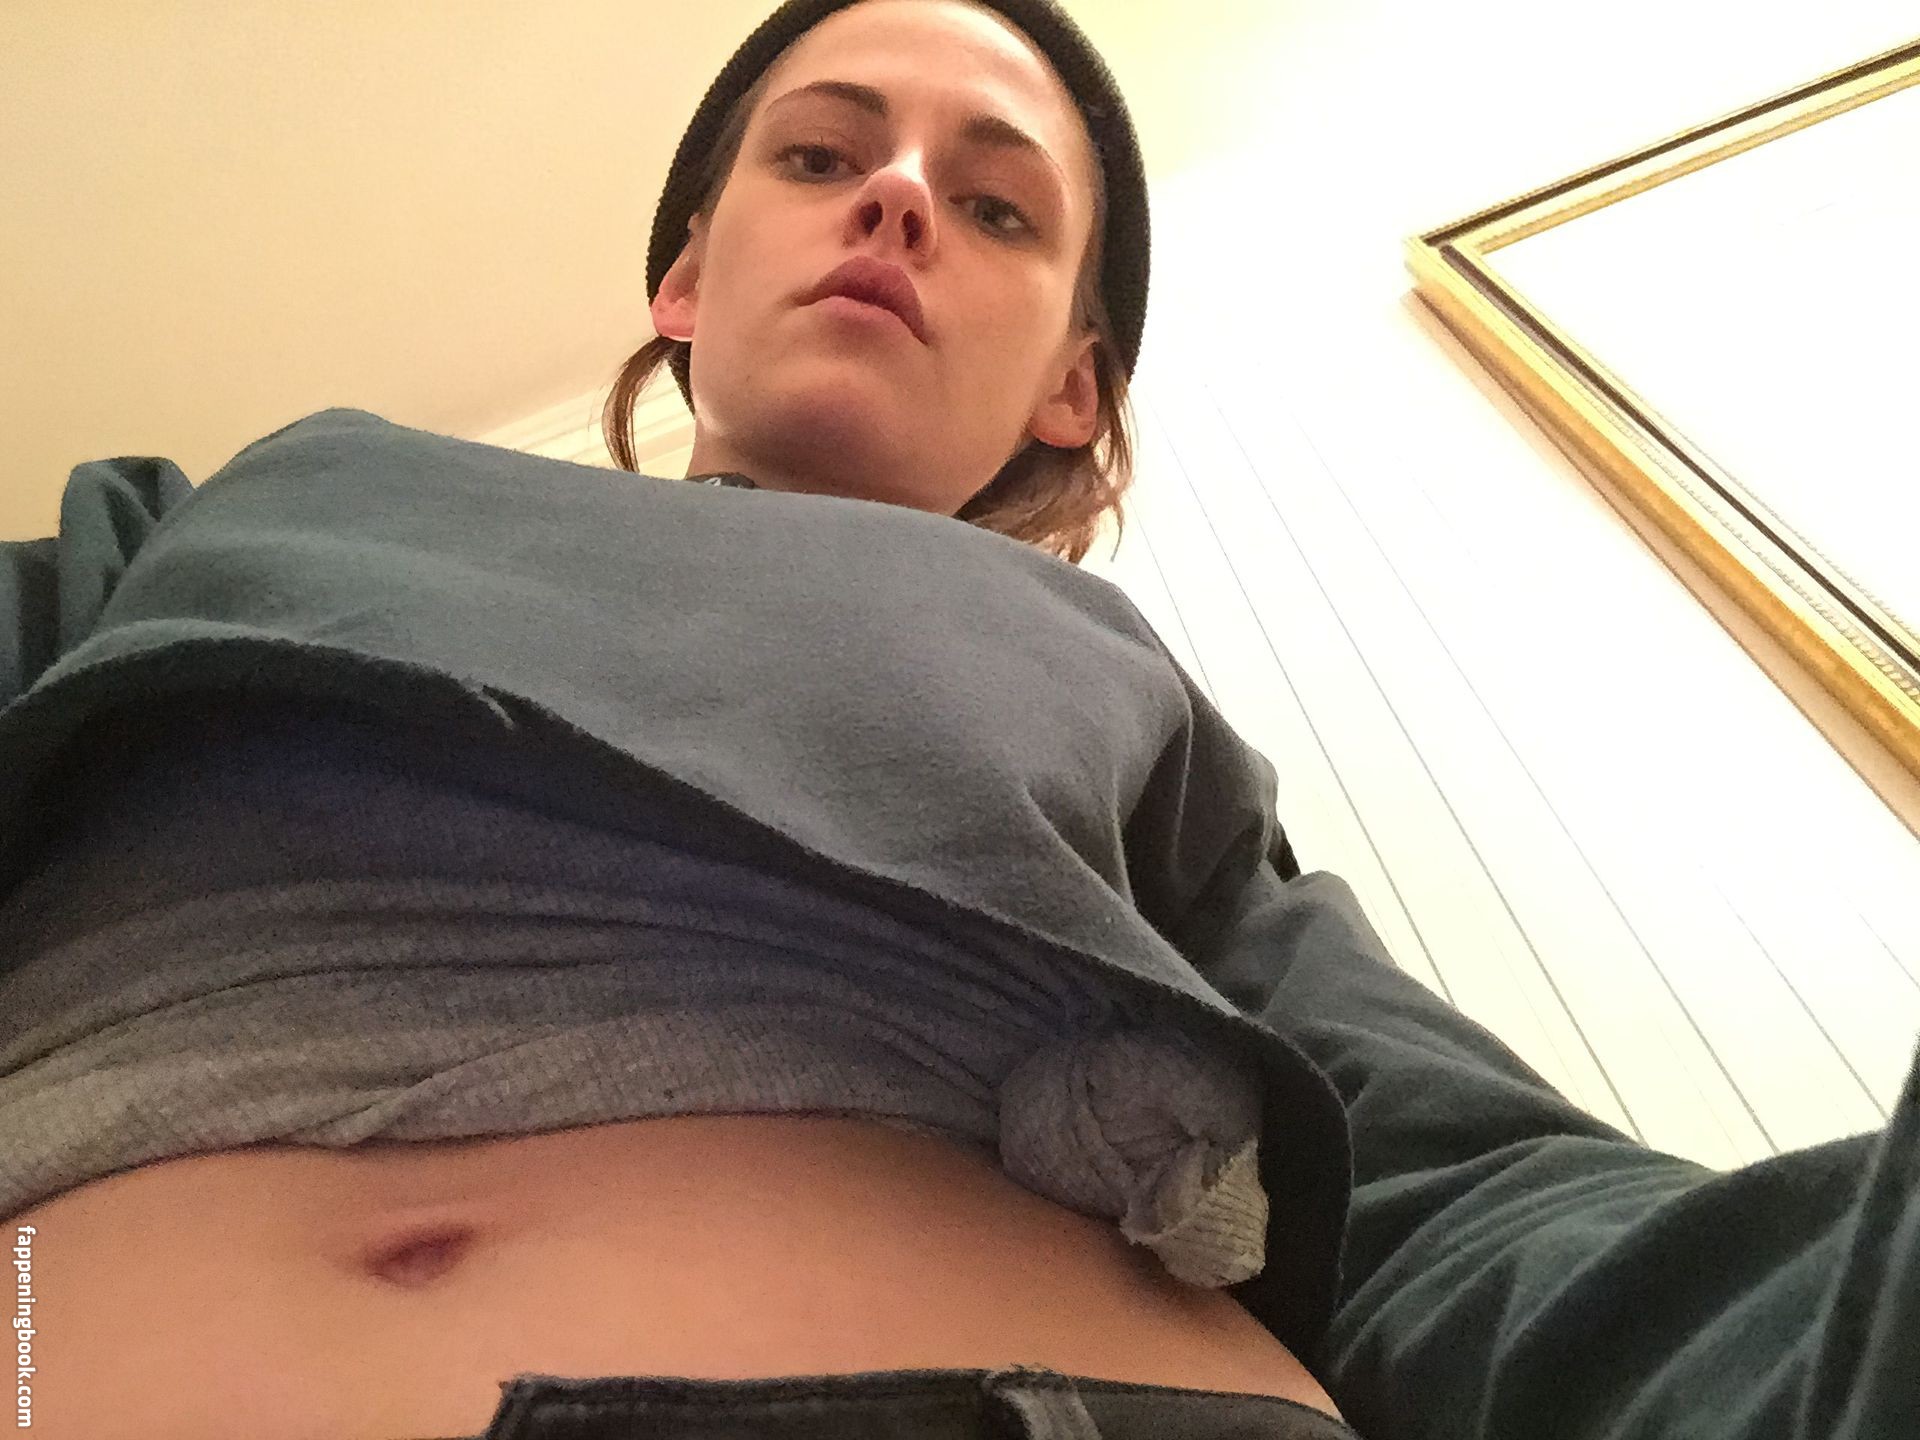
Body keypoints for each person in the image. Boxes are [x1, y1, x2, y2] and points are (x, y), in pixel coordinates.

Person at [0, 2, 1914, 1438]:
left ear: (1073, 386)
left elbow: (1447, 1201)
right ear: (686, 279)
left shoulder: (1132, 705)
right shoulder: (255, 506)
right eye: (821, 157)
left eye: (995, 204)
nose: (900, 195)